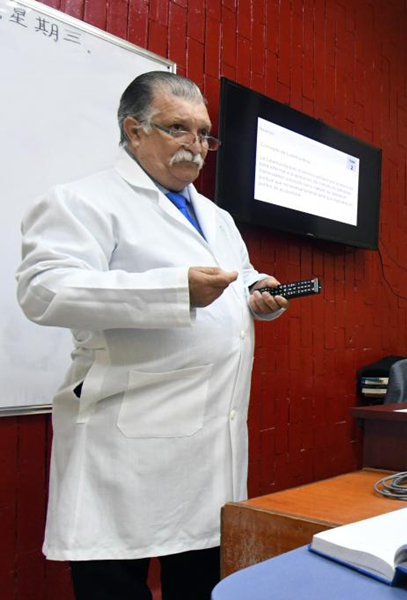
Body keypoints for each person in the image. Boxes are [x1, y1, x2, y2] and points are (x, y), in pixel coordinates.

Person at [16, 71, 290, 599]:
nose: (195, 146)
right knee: (116, 584)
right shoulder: (82, 201)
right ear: (134, 130)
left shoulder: (216, 216)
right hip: (125, 447)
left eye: (204, 134)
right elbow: (44, 290)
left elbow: (240, 275)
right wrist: (173, 291)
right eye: (177, 129)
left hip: (211, 446)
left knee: (201, 583)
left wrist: (260, 294)